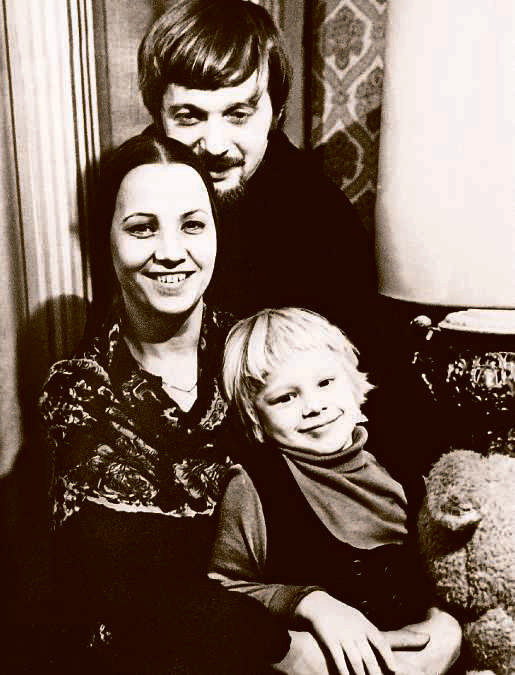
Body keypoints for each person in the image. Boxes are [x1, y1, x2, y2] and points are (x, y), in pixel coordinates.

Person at [37, 133, 292, 674]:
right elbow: (129, 598)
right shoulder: (80, 392)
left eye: (192, 225)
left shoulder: (263, 357)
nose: (172, 251)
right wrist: (292, 634)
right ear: (105, 240)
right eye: (142, 228)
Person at [209, 307, 463, 675]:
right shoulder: (253, 486)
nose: (314, 407)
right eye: (285, 398)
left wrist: (446, 626)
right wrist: (306, 601)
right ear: (254, 416)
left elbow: (451, 576)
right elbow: (222, 589)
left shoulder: (403, 474)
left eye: (326, 382)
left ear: (355, 382)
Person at [136, 0, 379, 371]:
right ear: (159, 117)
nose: (215, 145)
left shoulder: (322, 219)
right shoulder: (132, 191)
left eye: (238, 115)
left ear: (275, 113)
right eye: (189, 117)